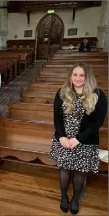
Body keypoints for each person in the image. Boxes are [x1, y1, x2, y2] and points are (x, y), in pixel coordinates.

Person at [49, 62, 107, 215]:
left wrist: (78, 139)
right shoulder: (62, 93)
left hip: (85, 142)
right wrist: (61, 137)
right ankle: (63, 197)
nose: (78, 78)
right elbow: (56, 118)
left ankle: (75, 199)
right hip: (64, 141)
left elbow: (97, 123)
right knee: (65, 169)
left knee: (80, 172)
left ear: (87, 77)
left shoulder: (98, 95)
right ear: (70, 76)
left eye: (82, 75)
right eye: (75, 74)